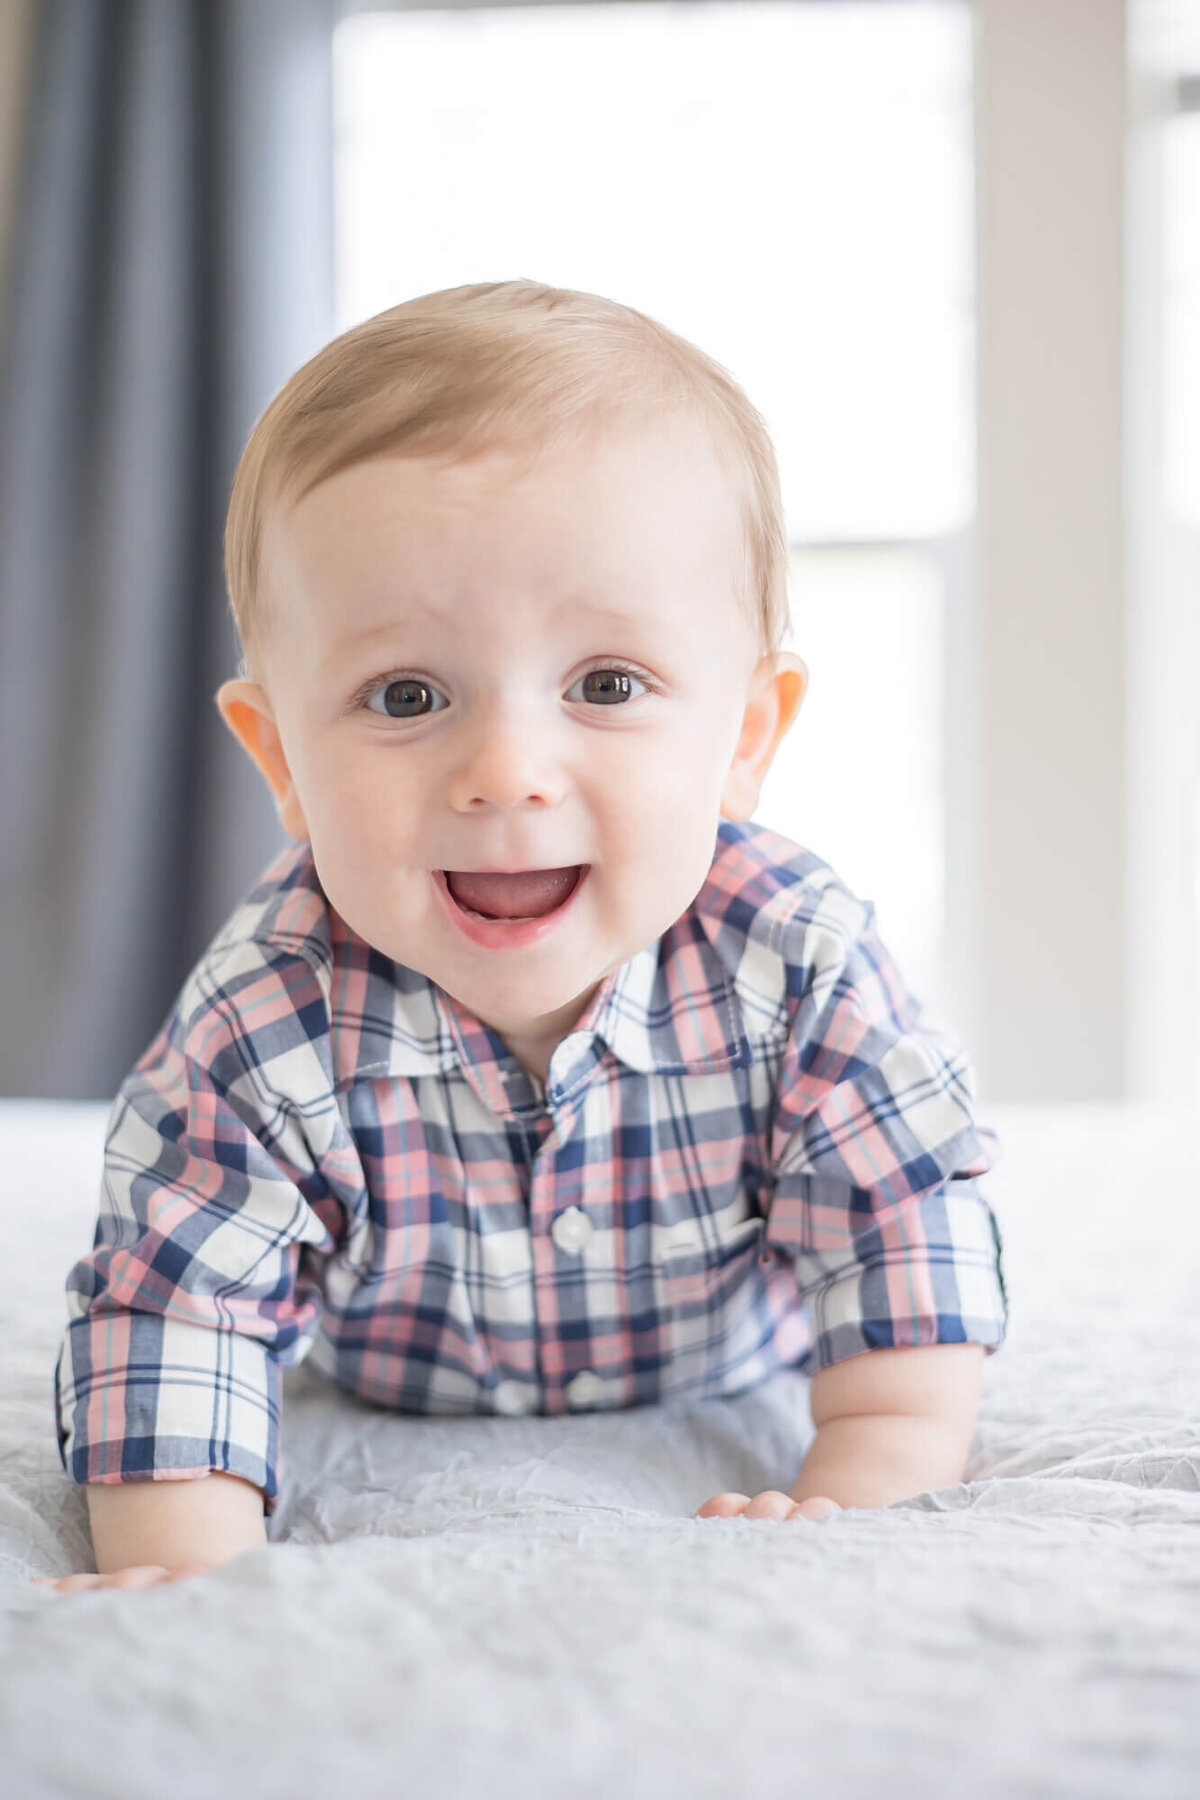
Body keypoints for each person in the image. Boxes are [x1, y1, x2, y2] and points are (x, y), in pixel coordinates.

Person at [44, 281, 1008, 1594]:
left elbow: (901, 1226)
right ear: (281, 759)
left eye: (607, 685)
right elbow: (176, 1307)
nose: (505, 771)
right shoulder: (264, 1016)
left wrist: (862, 1480)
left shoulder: (798, 959)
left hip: (729, 1361)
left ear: (744, 736)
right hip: (392, 1380)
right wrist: (188, 1574)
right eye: (406, 694)